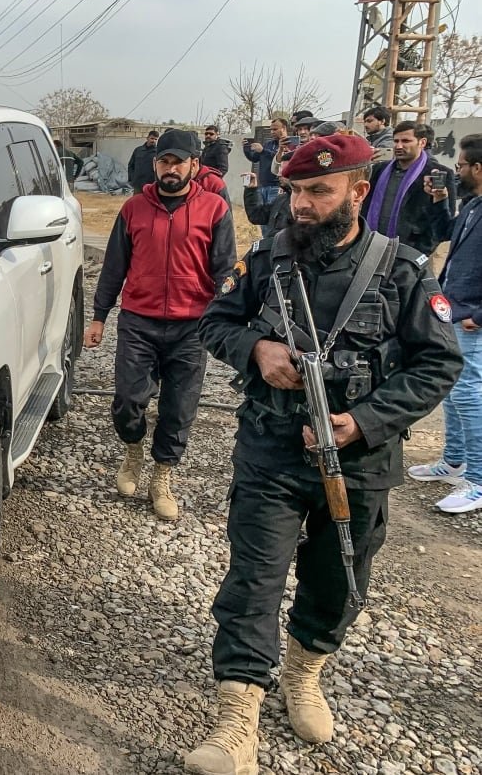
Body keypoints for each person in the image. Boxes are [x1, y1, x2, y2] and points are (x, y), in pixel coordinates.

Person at [187, 135, 461, 775]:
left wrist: (362, 421)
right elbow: (216, 322)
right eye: (295, 191)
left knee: (341, 577)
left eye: (318, 191)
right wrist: (257, 349)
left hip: (360, 462)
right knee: (254, 578)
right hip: (271, 449)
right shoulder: (268, 258)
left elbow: (437, 363)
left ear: (357, 192)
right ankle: (237, 717)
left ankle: (304, 672)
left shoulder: (403, 270)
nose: (302, 204)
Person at [84, 129, 236, 521]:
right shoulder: (135, 208)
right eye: (164, 162)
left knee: (179, 407)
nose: (170, 169)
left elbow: (224, 269)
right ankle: (133, 448)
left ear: (194, 166)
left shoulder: (215, 209)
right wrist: (99, 316)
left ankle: (162, 476)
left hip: (191, 327)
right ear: (155, 165)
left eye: (178, 162)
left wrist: (227, 319)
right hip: (139, 321)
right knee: (129, 399)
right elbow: (114, 266)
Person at [407, 133, 482, 513]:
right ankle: (454, 462)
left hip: (473, 318)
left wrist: (477, 316)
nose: (459, 172)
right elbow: (444, 235)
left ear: (478, 168)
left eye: (463, 166)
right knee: (454, 389)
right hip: (456, 309)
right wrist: (439, 202)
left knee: (470, 393)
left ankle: (479, 481)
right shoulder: (472, 205)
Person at [366, 120, 456, 255]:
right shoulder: (379, 170)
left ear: (422, 142)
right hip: (372, 246)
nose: (399, 146)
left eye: (406, 141)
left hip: (411, 251)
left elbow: (443, 219)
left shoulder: (438, 173)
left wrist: (423, 250)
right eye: (396, 141)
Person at [243, 118, 288, 237]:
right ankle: (266, 242)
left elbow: (279, 159)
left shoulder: (288, 144)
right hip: (263, 186)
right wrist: (246, 148)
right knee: (262, 219)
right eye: (271, 129)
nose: (272, 132)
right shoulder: (269, 144)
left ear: (283, 128)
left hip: (276, 187)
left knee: (274, 219)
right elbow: (255, 158)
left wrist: (263, 150)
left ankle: (272, 243)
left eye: (275, 129)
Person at [242, 170, 292, 238]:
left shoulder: (303, 205)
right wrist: (251, 190)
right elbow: (257, 216)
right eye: (279, 169)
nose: (278, 175)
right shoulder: (281, 199)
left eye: (284, 170)